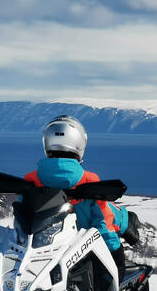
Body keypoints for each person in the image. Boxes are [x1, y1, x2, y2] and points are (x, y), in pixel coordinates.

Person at [24, 115, 130, 280]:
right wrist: (116, 254)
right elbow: (102, 223)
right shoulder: (89, 181)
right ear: (79, 143)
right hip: (82, 259)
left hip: (38, 259)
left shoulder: (31, 180)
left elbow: (23, 222)